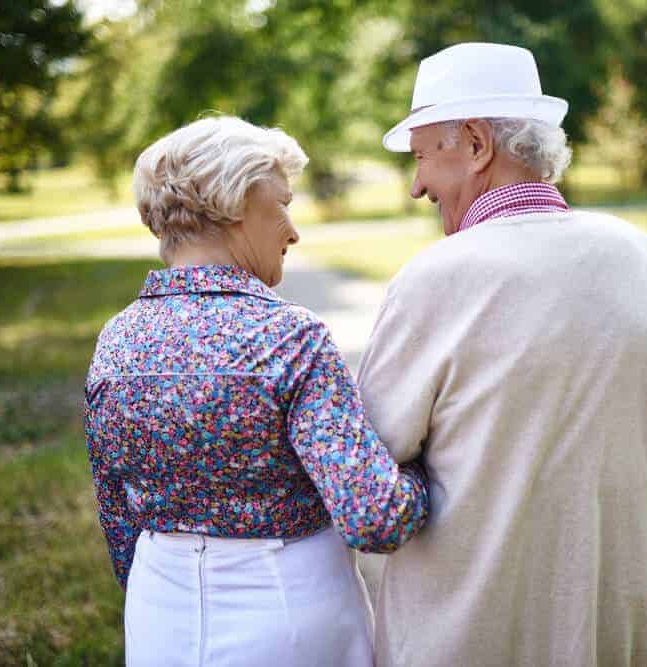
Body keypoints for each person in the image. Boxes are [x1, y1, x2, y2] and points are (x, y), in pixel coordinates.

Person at [356, 42, 647, 666]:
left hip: (463, 642)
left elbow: (363, 473)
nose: (416, 186)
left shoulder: (432, 281)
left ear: (474, 142)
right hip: (614, 641)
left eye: (420, 158)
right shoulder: (641, 259)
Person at [84, 116, 428, 667]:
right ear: (236, 203)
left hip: (158, 615)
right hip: (288, 611)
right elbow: (375, 515)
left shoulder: (116, 340)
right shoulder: (289, 337)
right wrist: (425, 472)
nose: (292, 231)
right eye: (283, 205)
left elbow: (117, 514)